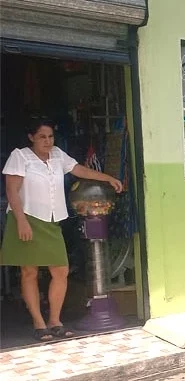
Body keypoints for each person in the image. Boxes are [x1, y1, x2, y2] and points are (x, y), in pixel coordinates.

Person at [1, 118, 123, 341]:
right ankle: (39, 324)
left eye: (50, 136)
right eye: (42, 137)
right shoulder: (20, 156)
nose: (47, 141)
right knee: (30, 272)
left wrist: (108, 178)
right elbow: (12, 190)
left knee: (60, 271)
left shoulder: (57, 155)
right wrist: (21, 221)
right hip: (28, 218)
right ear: (31, 137)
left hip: (52, 220)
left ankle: (55, 321)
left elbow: (79, 170)